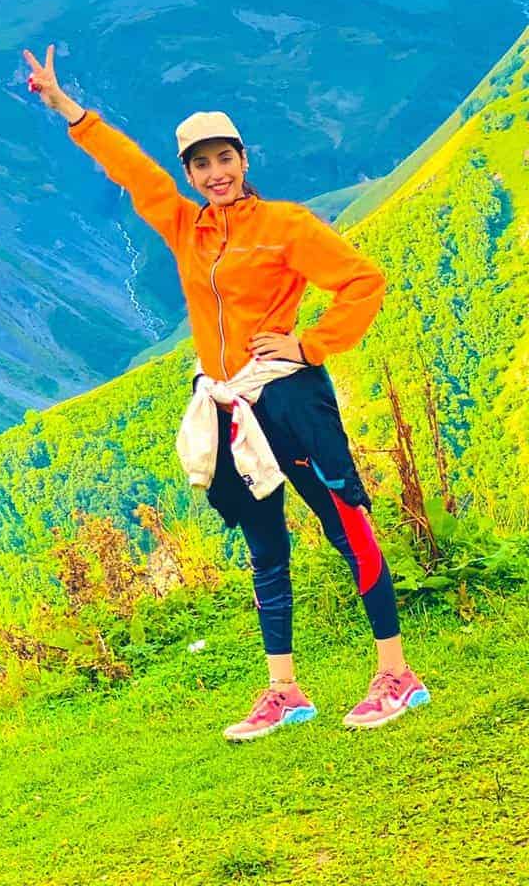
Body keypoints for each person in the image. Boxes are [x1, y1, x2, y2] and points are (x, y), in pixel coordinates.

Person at [22, 43, 429, 741]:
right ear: (190, 172)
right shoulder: (188, 229)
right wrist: (67, 108)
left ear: (244, 160)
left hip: (289, 397)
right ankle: (284, 691)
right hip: (227, 408)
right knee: (264, 547)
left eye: (225, 158)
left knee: (346, 526)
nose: (215, 173)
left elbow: (364, 282)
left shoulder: (286, 226)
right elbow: (134, 173)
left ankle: (396, 674)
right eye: (201, 164)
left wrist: (309, 344)